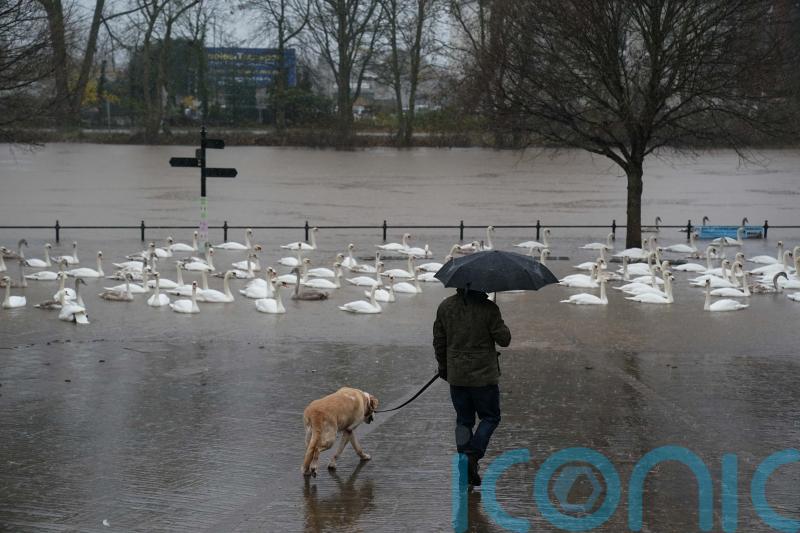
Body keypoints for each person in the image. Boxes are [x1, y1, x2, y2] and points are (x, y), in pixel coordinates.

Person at [433, 287, 511, 486]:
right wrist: (498, 320)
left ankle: (465, 462)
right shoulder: (489, 309)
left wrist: (443, 366)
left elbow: (439, 341)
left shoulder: (445, 307)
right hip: (484, 377)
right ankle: (473, 455)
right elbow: (505, 340)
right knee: (490, 417)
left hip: (457, 376)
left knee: (463, 421)